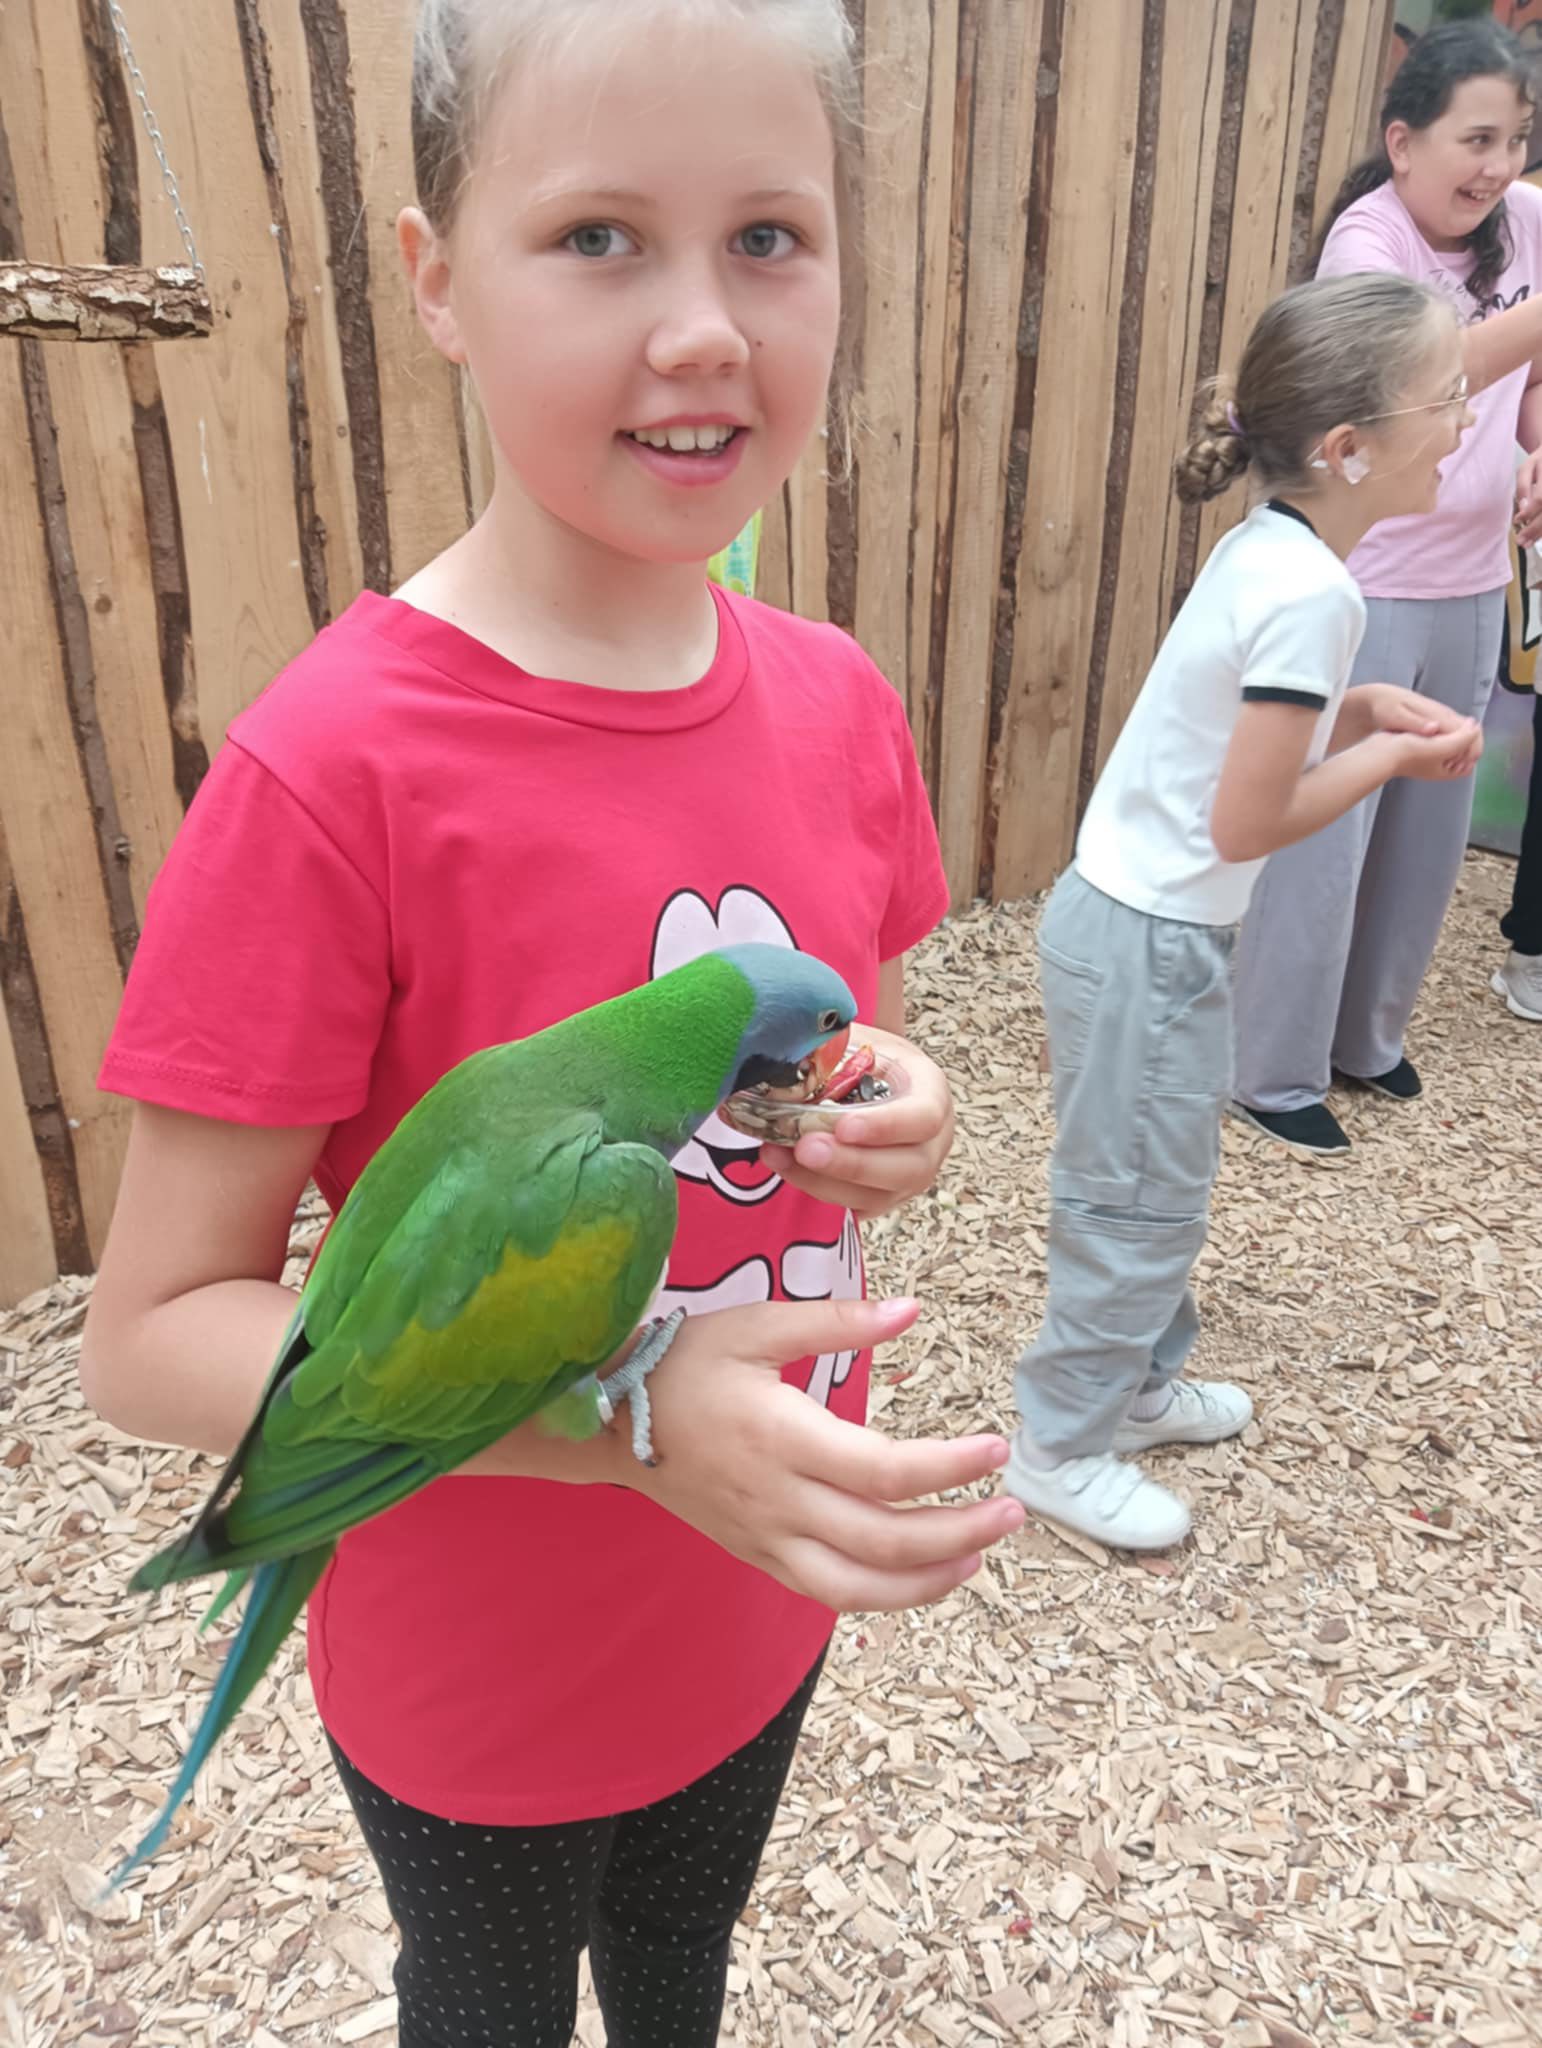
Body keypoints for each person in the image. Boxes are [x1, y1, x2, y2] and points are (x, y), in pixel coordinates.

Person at [77, 3, 1028, 2041]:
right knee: (493, 2006)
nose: (701, 330)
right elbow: (148, 1337)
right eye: (599, 236)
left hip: (760, 1598)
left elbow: (837, 1066)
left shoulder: (841, 702)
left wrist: (899, 1111)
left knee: (683, 1968)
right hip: (482, 1676)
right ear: (437, 279)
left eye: (768, 236)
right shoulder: (332, 777)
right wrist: (622, 1422)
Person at [1005, 273, 1483, 1552]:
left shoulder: (1275, 545)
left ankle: (1137, 1384)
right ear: (1352, 448)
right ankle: (1059, 1443)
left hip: (1137, 927)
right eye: (1448, 398)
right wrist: (1385, 756)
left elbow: (1236, 728)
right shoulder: (1316, 592)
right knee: (1135, 1200)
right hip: (1150, 938)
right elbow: (1247, 821)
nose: (1466, 420)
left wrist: (1360, 709)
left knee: (1154, 1174)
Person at [1232, 19, 1542, 1154]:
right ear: (1403, 142)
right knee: (1327, 832)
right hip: (1364, 577)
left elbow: (1528, 384)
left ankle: (1367, 1037)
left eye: (1516, 139)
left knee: (1428, 825)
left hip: (1472, 573)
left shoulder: (1529, 225)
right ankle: (1272, 1068)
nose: (1498, 166)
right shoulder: (1367, 244)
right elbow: (1417, 374)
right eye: (1476, 139)